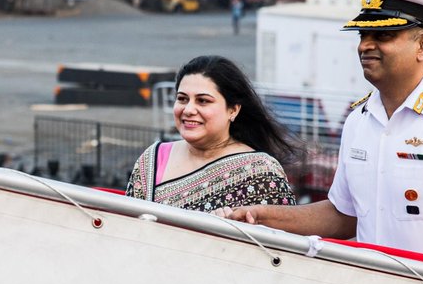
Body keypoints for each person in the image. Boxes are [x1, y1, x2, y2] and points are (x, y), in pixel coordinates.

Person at [217, 0, 423, 273]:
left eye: (383, 36)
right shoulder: (359, 121)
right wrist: (262, 216)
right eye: (363, 35)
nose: (365, 46)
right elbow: (343, 215)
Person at [126, 55, 299, 211]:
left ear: (233, 110)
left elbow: (277, 241)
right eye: (182, 99)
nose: (188, 109)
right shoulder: (152, 159)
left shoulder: (260, 172)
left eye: (203, 101)